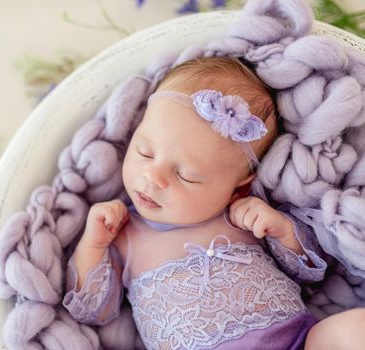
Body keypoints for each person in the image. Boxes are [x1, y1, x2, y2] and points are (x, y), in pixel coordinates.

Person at [62, 56, 365, 349]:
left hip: (296, 341)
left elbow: (312, 271)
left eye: (187, 176)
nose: (153, 176)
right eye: (145, 152)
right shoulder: (123, 234)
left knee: (351, 330)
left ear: (237, 185)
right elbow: (94, 311)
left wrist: (283, 230)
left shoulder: (243, 213)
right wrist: (93, 245)